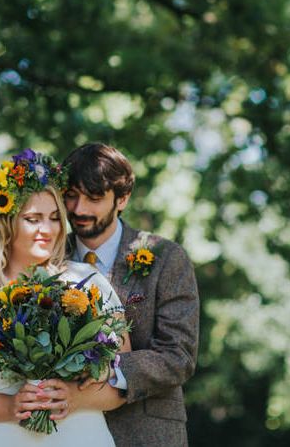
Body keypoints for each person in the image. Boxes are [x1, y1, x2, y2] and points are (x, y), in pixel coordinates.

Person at [0, 149, 130, 447]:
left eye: (55, 218)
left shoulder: (89, 282)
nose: (48, 229)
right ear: (7, 223)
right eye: (33, 219)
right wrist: (10, 406)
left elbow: (122, 378)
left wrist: (75, 397)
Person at [30, 143, 200, 447]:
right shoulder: (43, 257)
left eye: (94, 199)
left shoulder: (166, 258)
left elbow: (179, 355)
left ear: (122, 199)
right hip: (62, 433)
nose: (79, 210)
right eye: (71, 195)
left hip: (144, 433)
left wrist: (108, 369)